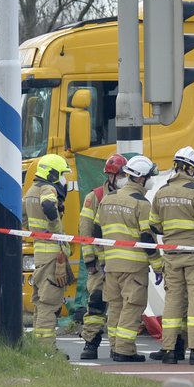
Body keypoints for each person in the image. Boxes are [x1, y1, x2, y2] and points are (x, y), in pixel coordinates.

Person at [151, 145, 194, 364]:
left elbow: (154, 227)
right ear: (191, 168)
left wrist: (172, 233)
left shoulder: (161, 192)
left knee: (173, 301)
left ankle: (169, 350)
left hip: (171, 255)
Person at [99, 155, 160, 362]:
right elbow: (146, 237)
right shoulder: (141, 204)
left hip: (111, 264)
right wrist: (159, 265)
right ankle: (124, 350)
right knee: (132, 306)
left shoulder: (107, 199)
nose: (152, 180)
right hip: (133, 266)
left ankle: (115, 347)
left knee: (115, 307)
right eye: (150, 176)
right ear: (141, 178)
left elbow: (100, 230)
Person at [77, 153, 128, 361]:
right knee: (96, 303)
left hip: (120, 261)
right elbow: (85, 231)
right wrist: (90, 261)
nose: (125, 178)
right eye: (122, 174)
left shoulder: (129, 197)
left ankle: (119, 347)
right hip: (99, 263)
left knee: (121, 304)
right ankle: (91, 343)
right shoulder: (95, 197)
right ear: (111, 176)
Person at [24, 153, 72, 354]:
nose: (64, 180)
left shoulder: (30, 191)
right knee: (49, 302)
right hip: (53, 253)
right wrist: (56, 229)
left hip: (40, 253)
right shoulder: (47, 188)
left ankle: (38, 346)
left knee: (39, 301)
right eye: (62, 175)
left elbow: (22, 216)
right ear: (53, 174)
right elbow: (49, 205)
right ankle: (46, 349)